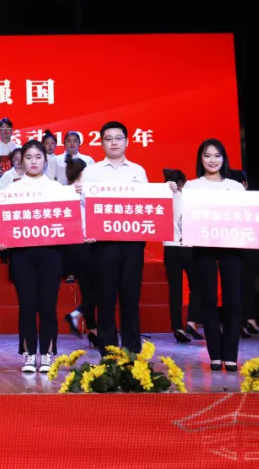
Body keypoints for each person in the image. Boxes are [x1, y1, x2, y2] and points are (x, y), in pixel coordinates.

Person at [77, 121, 173, 354]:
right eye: (108, 139)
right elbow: (82, 206)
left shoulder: (137, 171)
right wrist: (86, 231)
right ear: (101, 143)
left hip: (132, 244)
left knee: (130, 297)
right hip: (102, 245)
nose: (114, 143)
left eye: (118, 138)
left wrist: (166, 191)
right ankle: (109, 353)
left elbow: (146, 203)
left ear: (127, 142)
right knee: (105, 298)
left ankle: (132, 351)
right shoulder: (91, 172)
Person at [0, 140, 63, 373]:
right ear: (21, 161)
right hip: (22, 254)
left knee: (48, 305)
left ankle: (47, 353)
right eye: (29, 157)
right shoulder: (12, 190)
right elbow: (2, 222)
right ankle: (29, 354)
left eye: (38, 157)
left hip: (51, 253)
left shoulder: (56, 188)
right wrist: (1, 239)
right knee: (26, 305)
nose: (33, 162)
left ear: (45, 160)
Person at [186, 140, 247, 371]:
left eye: (217, 155)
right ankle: (214, 354)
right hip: (203, 246)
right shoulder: (192, 186)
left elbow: (247, 214)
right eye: (207, 155)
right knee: (208, 300)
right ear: (200, 159)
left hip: (232, 245)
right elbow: (184, 218)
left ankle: (230, 354)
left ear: (224, 158)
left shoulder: (235, 187)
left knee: (233, 300)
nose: (212, 160)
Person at [62, 158, 98, 346]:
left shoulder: (65, 191)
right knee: (101, 288)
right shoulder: (80, 191)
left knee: (87, 288)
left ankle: (93, 330)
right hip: (86, 244)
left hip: (73, 247)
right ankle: (77, 314)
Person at [164, 168, 201, 344]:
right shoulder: (187, 199)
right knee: (197, 285)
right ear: (181, 183)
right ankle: (192, 321)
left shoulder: (161, 199)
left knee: (175, 289)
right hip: (187, 247)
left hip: (169, 248)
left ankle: (177, 327)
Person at [231, 169, 259, 337]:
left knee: (235, 286)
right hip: (249, 247)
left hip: (231, 248)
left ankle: (242, 320)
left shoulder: (225, 203)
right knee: (248, 285)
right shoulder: (253, 202)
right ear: (244, 184)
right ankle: (247, 319)